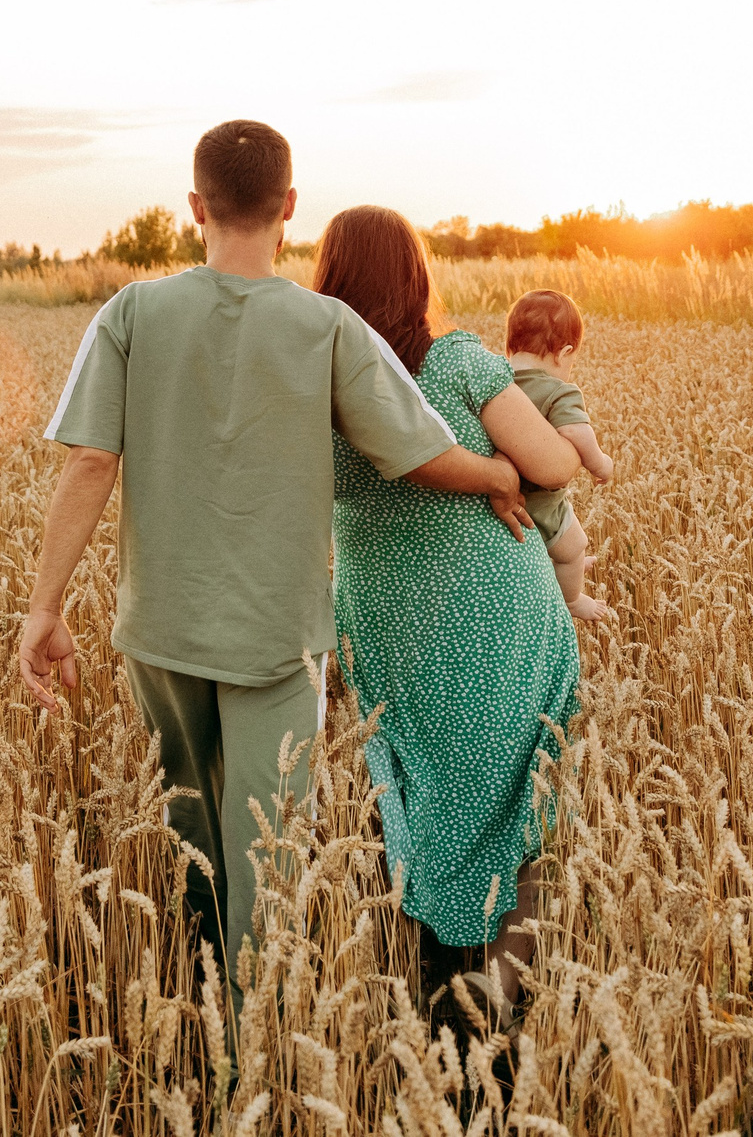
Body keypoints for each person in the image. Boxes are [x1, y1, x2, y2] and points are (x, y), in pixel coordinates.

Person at [16, 120, 530, 985]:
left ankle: (203, 1003)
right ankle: (256, 1048)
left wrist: (44, 607)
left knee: (191, 838)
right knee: (268, 859)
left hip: (160, 630)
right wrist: (495, 472)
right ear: (289, 206)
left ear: (194, 207)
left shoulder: (131, 311)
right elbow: (410, 450)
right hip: (277, 641)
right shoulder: (326, 325)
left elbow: (91, 461)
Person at [312, 207, 583, 1020]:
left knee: (417, 781)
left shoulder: (315, 378)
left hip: (386, 617)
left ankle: (428, 974)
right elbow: (556, 461)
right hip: (497, 608)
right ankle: (497, 990)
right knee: (529, 788)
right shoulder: (459, 359)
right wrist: (502, 467)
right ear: (415, 275)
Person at [504, 290, 618, 623]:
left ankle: (556, 565)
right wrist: (600, 463)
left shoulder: (496, 382)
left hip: (498, 500)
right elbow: (576, 432)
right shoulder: (559, 391)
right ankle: (571, 598)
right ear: (564, 353)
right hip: (541, 505)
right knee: (574, 548)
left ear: (509, 345)